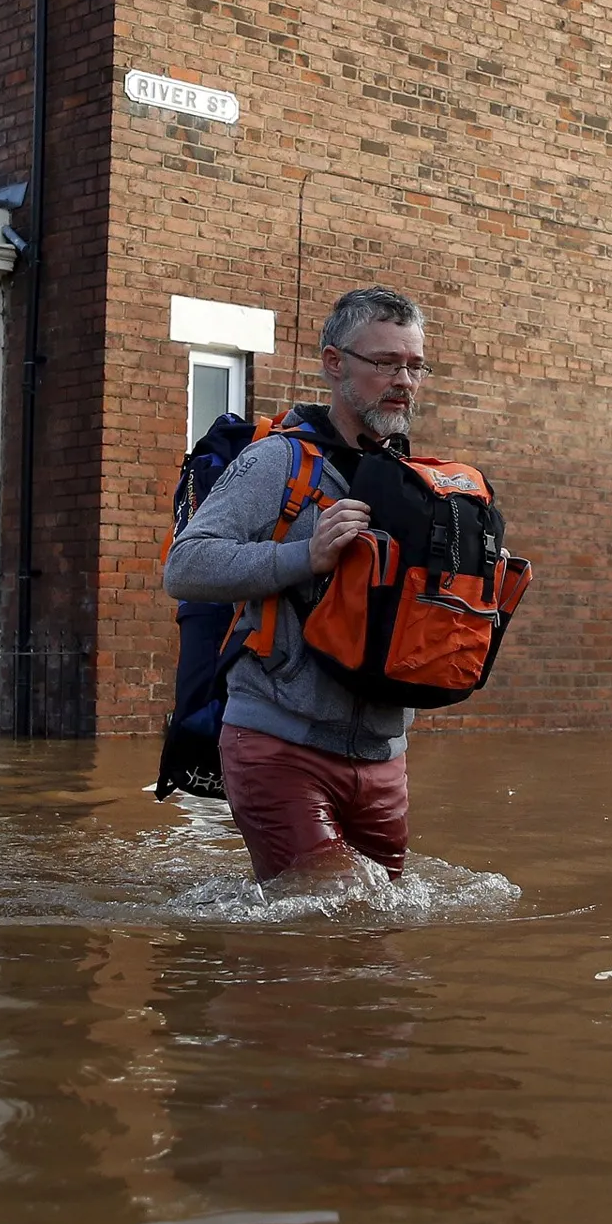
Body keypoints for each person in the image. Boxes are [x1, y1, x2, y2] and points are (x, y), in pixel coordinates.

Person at [163, 285, 430, 880]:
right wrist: (304, 556)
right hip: (279, 744)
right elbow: (186, 567)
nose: (404, 381)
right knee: (316, 928)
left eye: (414, 365)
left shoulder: (419, 482)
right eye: (385, 362)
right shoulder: (275, 463)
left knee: (376, 935)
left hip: (384, 755)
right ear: (335, 364)